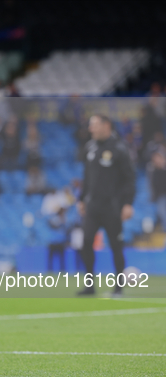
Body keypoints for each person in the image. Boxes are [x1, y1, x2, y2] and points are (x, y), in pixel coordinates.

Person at [77, 115, 135, 296]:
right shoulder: (90, 147)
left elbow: (130, 179)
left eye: (94, 125)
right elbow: (87, 177)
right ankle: (89, 285)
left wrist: (127, 204)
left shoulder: (119, 148)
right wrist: (81, 199)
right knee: (86, 243)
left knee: (116, 246)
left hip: (112, 207)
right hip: (93, 206)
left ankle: (118, 287)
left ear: (106, 125)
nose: (91, 129)